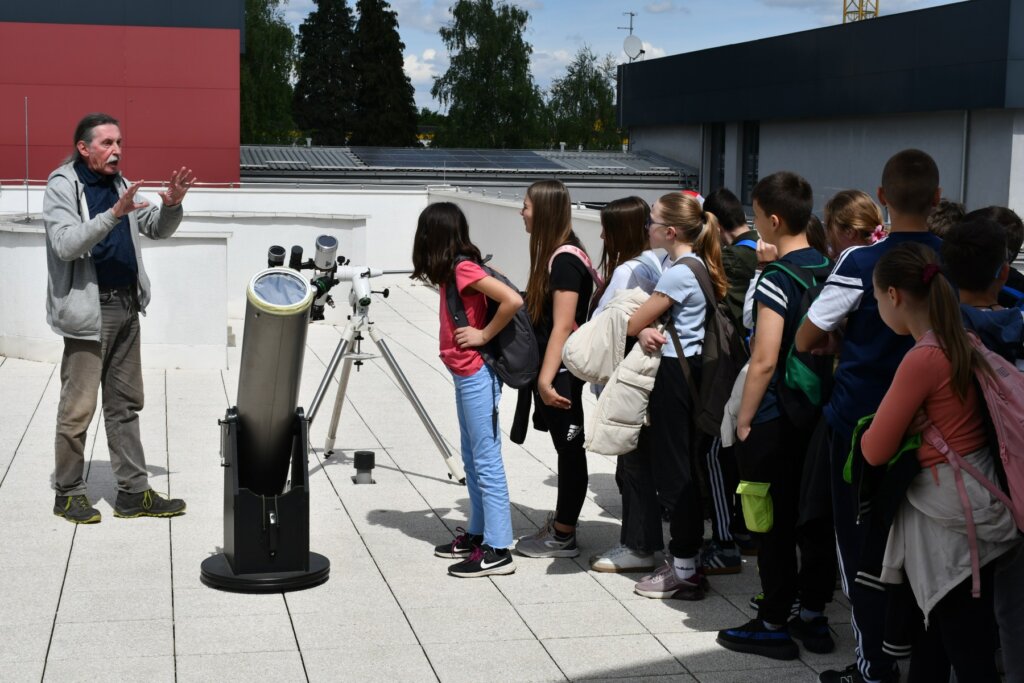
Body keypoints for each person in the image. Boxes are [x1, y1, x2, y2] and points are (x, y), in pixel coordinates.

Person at [795, 149, 943, 683]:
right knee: (925, 549)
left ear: (881, 198)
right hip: (936, 428)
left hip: (860, 424)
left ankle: (874, 666)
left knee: (861, 549)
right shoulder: (948, 260)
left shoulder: (860, 263)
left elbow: (806, 336)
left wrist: (847, 344)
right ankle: (919, 654)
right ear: (938, 199)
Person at [862, 242, 1019, 682]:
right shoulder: (961, 341)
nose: (877, 307)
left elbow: (874, 449)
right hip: (977, 502)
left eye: (876, 298)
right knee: (937, 642)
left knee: (966, 653)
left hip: (949, 525)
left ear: (894, 295)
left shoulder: (923, 358)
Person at [44, 112, 192, 524]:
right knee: (78, 409)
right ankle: (69, 492)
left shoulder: (120, 184)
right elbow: (65, 244)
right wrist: (112, 215)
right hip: (89, 312)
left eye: (120, 142)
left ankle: (133, 493)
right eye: (107, 143)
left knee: (125, 405)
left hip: (127, 305)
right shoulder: (62, 185)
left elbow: (155, 227)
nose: (116, 151)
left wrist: (172, 204)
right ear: (84, 148)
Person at [716, 172, 837, 660]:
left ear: (773, 218)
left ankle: (771, 622)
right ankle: (812, 617)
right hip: (818, 410)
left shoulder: (776, 279)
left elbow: (764, 358)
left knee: (770, 521)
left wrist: (744, 420)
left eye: (755, 212)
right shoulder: (828, 267)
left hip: (774, 415)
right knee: (814, 519)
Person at [627, 192, 728, 600]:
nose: (647, 227)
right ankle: (686, 559)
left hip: (674, 376)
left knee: (676, 472)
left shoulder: (677, 272)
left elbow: (635, 319)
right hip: (689, 374)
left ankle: (684, 567)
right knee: (682, 466)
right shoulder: (692, 263)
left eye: (651, 221)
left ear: (669, 231)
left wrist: (639, 326)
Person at [412, 202, 521, 577]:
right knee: (472, 458)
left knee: (486, 460)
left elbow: (513, 300)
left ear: (434, 235)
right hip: (464, 374)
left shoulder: (463, 268)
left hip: (477, 374)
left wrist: (483, 335)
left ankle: (498, 548)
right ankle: (477, 535)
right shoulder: (452, 269)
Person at [514, 180, 596, 558]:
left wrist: (545, 380)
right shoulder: (560, 254)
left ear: (544, 211)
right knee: (567, 449)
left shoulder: (564, 260)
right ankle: (563, 526)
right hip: (557, 371)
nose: (521, 211)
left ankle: (563, 535)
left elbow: (562, 326)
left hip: (560, 374)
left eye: (527, 205)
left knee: (570, 449)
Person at [587, 196, 664, 573]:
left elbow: (610, 325)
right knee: (636, 465)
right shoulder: (655, 263)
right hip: (644, 381)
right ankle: (637, 541)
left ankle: (638, 545)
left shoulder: (627, 272)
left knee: (632, 467)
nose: (601, 234)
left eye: (606, 227)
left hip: (628, 384)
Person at [700, 187, 759, 571]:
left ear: (715, 223)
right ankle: (743, 528)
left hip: (738, 366)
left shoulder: (736, 257)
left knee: (719, 452)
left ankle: (730, 535)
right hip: (753, 365)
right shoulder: (759, 247)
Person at [823, 190, 886, 258]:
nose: (827, 233)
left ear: (849, 232)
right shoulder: (887, 255)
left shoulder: (851, 264)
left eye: (829, 227)